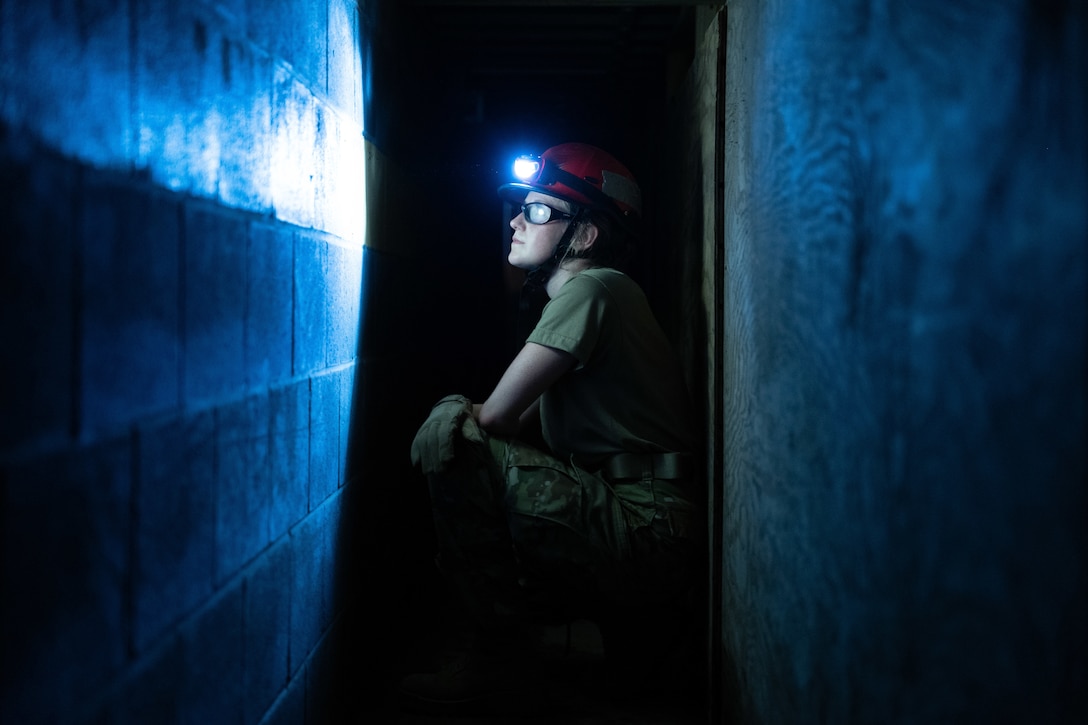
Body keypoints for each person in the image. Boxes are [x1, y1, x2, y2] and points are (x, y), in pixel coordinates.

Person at [404, 142, 700, 713]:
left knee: (454, 432)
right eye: (521, 208)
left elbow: (490, 420)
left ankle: (498, 659)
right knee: (467, 434)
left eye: (539, 211)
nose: (516, 221)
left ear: (585, 236)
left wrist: (461, 412)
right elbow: (515, 423)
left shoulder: (593, 288)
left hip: (647, 527)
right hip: (639, 517)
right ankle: (526, 644)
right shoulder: (589, 296)